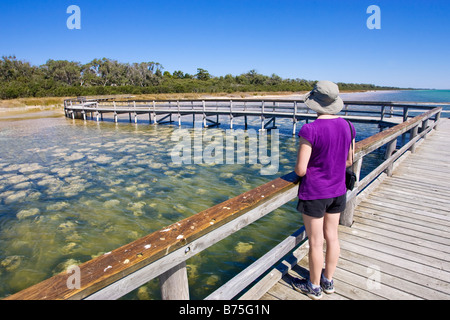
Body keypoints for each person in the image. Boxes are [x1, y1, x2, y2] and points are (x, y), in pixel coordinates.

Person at [292, 80, 355, 300]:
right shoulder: (348, 126)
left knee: (316, 242)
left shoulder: (310, 129)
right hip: (338, 191)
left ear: (314, 103)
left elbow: (301, 170)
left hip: (316, 193)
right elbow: (349, 161)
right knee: (333, 237)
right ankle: (328, 281)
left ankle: (314, 286)